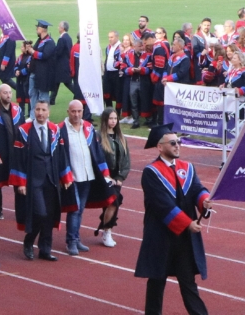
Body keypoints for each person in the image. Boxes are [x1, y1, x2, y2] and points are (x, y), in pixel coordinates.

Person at [135, 124, 212, 315]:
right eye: (173, 143)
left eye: (179, 141)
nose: (178, 145)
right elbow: (163, 205)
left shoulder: (188, 167)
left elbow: (197, 190)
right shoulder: (151, 172)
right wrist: (188, 224)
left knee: (188, 283)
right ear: (160, 147)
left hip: (183, 240)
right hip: (160, 236)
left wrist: (205, 202)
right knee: (156, 281)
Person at [10, 100, 73, 261]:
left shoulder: (55, 130)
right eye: (37, 109)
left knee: (50, 214)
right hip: (33, 180)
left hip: (51, 179)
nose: (40, 113)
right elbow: (17, 158)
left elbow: (61, 154)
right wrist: (20, 182)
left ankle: (45, 249)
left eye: (43, 110)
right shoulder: (23, 131)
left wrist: (65, 176)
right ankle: (29, 241)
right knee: (40, 213)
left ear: (48, 112)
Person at [60, 101, 114, 256]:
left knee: (80, 209)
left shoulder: (89, 128)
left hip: (88, 176)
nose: (76, 114)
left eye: (79, 111)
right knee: (74, 209)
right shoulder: (60, 129)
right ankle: (71, 240)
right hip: (71, 177)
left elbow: (97, 152)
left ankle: (76, 239)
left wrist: (105, 173)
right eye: (73, 111)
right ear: (68, 111)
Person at [0, 84, 23, 219]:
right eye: (5, 93)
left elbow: (23, 131)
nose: (8, 95)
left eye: (10, 92)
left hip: (16, 153)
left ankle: (21, 209)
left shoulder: (18, 110)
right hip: (1, 154)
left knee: (19, 181)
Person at [94, 107, 131, 247]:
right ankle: (106, 230)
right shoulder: (98, 137)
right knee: (113, 202)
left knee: (112, 204)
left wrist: (121, 177)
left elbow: (127, 160)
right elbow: (97, 158)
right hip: (104, 177)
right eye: (110, 118)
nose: (113, 121)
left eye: (115, 118)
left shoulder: (121, 138)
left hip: (116, 177)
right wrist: (105, 176)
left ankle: (106, 230)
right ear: (105, 119)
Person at [27, 20, 57, 106]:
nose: (36, 29)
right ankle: (33, 115)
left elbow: (45, 55)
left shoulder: (50, 42)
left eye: (37, 28)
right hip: (35, 72)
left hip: (44, 74)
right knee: (32, 94)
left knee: (43, 95)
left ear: (42, 29)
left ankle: (44, 114)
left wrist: (33, 52)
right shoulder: (39, 40)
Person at [50, 21, 74, 105]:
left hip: (61, 65)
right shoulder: (69, 38)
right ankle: (51, 99)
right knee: (57, 82)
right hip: (66, 63)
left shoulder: (62, 39)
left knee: (67, 83)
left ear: (62, 28)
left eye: (59, 26)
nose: (58, 28)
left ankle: (78, 94)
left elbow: (58, 52)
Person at [103, 30, 123, 109]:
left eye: (112, 37)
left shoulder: (120, 47)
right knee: (106, 93)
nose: (110, 39)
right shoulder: (108, 47)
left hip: (117, 73)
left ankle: (117, 113)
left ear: (117, 37)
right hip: (108, 73)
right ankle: (109, 110)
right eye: (109, 37)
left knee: (118, 94)